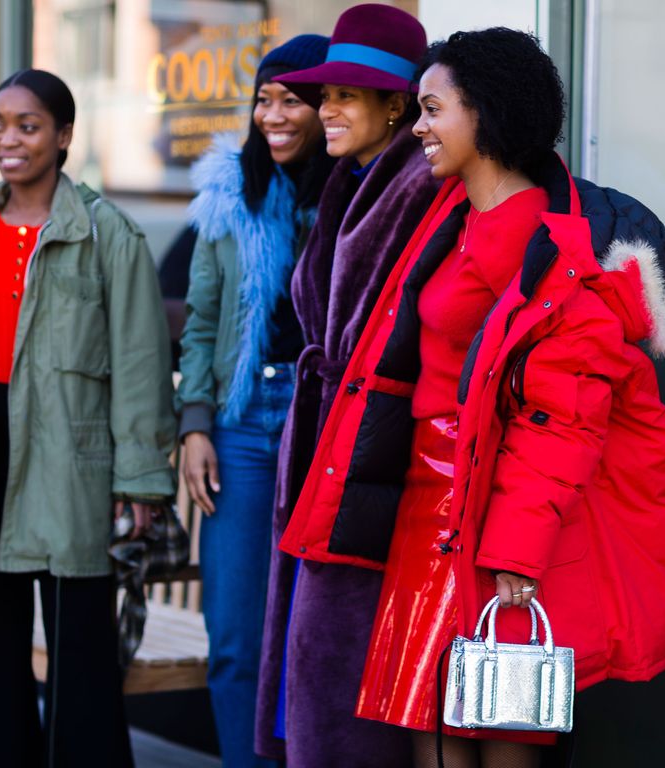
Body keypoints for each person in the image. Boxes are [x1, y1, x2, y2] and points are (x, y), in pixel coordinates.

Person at [277, 28, 665, 768]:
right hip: (428, 510)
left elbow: (560, 416)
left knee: (497, 728)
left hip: (492, 521)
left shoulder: (546, 246)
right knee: (433, 728)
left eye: (433, 110)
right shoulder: (453, 218)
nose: (420, 127)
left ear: (486, 115)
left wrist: (516, 554)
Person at [253, 6, 441, 767]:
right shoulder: (353, 182)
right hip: (328, 448)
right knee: (314, 665)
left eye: (345, 95)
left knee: (344, 673)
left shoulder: (417, 186)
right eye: (321, 92)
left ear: (397, 105)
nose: (323, 107)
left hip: (375, 466)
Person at [0, 68, 175, 767]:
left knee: (80, 652)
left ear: (64, 136)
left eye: (28, 125)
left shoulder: (110, 235)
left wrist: (140, 484)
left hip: (68, 456)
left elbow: (137, 366)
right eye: (0, 125)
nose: (10, 140)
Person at [175, 34, 333, 768]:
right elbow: (203, 321)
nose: (273, 114)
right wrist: (196, 424)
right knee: (235, 634)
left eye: (290, 99)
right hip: (240, 427)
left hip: (324, 426)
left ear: (326, 106)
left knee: (311, 629)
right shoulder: (229, 191)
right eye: (263, 99)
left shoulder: (354, 196)